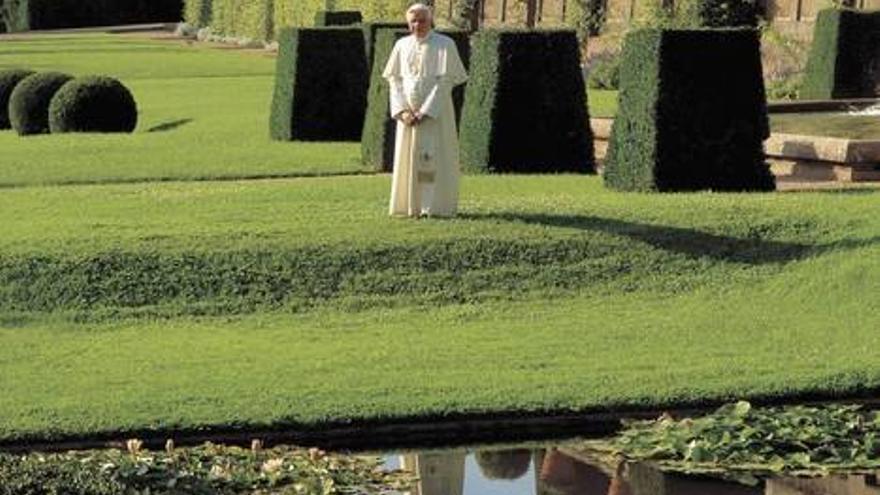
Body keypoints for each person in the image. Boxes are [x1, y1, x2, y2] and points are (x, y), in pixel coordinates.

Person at [382, 3, 468, 218]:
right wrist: (402, 111)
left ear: (431, 20)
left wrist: (425, 111)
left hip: (436, 115)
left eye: (422, 20)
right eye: (413, 20)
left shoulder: (445, 44)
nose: (417, 24)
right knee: (408, 159)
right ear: (407, 23)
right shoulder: (401, 45)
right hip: (407, 117)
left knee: (435, 157)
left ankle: (435, 206)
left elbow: (445, 81)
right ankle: (409, 206)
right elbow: (395, 80)